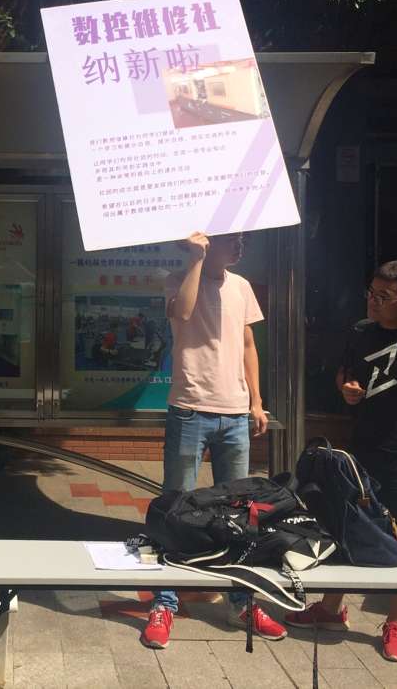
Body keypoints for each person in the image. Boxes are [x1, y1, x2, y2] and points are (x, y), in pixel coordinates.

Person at [285, 258, 397, 663]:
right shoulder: (361, 331)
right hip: (363, 448)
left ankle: (396, 622)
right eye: (371, 293)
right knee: (348, 525)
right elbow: (345, 372)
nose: (373, 301)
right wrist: (347, 387)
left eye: (384, 296)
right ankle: (330, 610)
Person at [141, 231, 278, 650]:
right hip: (189, 409)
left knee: (239, 513)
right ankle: (165, 602)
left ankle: (241, 601)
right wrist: (197, 259)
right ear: (208, 241)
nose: (239, 247)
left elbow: (249, 345)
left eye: (242, 240)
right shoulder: (178, 279)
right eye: (231, 240)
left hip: (235, 414)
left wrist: (256, 401)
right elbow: (182, 313)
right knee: (176, 508)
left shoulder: (242, 286)